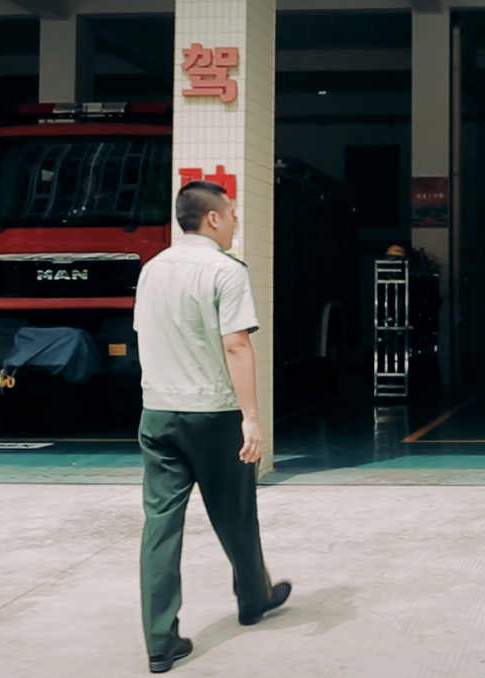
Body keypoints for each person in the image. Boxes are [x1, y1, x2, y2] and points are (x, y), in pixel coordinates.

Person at [135, 181, 291, 673]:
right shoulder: (226, 271)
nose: (236, 220)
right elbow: (237, 346)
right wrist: (251, 419)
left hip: (157, 412)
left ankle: (160, 642)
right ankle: (253, 600)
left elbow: (144, 333)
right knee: (236, 511)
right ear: (214, 218)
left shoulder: (151, 269)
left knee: (160, 527)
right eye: (233, 213)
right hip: (214, 413)